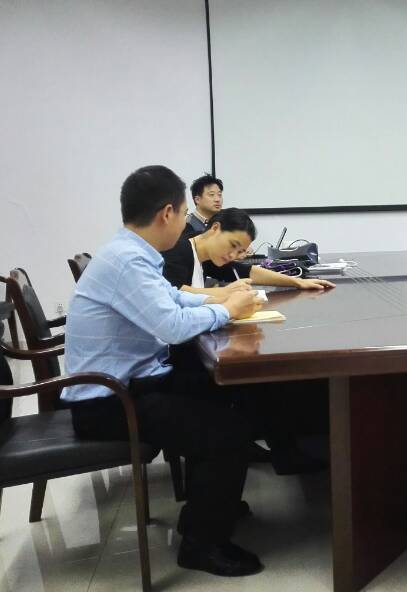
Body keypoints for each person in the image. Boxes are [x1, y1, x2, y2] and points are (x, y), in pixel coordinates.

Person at [62, 165, 265, 577]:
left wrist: (221, 300)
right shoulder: (127, 261)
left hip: (131, 383)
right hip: (108, 400)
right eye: (185, 213)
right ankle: (201, 546)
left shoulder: (131, 252)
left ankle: (207, 509)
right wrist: (227, 309)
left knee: (229, 395)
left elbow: (172, 298)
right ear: (167, 213)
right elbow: (171, 326)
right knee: (226, 432)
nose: (189, 223)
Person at [163, 207, 336, 292]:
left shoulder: (207, 255)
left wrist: (297, 282)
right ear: (215, 228)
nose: (233, 255)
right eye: (233, 245)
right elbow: (175, 293)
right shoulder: (178, 249)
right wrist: (225, 292)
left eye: (240, 252)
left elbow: (247, 271)